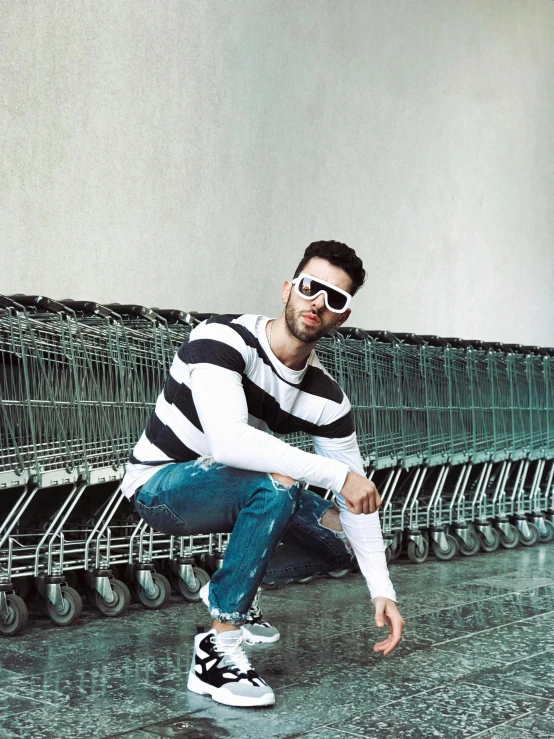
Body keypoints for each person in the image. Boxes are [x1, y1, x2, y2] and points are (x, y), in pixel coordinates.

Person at [121, 240, 405, 708]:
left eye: (336, 298)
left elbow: (357, 502)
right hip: (161, 486)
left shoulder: (328, 400)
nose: (318, 302)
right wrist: (336, 475)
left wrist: (383, 591)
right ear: (288, 288)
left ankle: (230, 588)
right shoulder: (223, 339)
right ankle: (217, 651)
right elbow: (231, 440)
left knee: (341, 534)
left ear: (343, 316)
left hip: (238, 485)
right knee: (277, 483)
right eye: (311, 287)